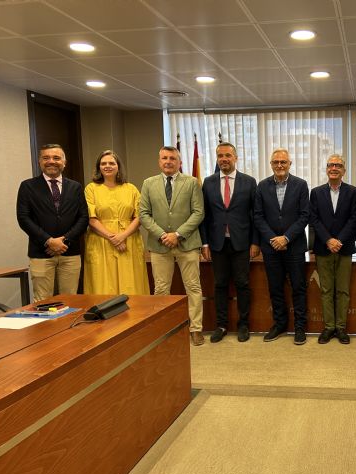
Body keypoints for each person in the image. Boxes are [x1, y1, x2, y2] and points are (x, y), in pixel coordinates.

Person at [139, 146, 205, 345]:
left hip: (188, 243)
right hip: (159, 246)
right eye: (164, 158)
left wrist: (177, 234)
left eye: (172, 158)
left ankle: (196, 329)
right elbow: (144, 214)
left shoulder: (192, 183)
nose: (168, 161)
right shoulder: (148, 184)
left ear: (180, 162)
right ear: (159, 161)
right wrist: (163, 235)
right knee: (161, 289)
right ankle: (163, 329)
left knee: (193, 287)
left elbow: (198, 212)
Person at [199, 142, 260, 343]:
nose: (224, 159)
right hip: (217, 244)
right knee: (220, 285)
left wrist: (255, 242)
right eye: (220, 156)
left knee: (243, 284)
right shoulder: (208, 182)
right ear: (217, 159)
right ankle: (222, 325)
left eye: (227, 155)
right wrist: (205, 244)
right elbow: (204, 216)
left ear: (235, 158)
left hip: (241, 243)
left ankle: (243, 325)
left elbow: (255, 215)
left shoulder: (249, 182)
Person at [16, 144, 88, 302]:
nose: (51, 161)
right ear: (39, 162)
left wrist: (64, 241)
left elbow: (83, 218)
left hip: (70, 252)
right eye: (46, 158)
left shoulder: (75, 187)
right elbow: (23, 218)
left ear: (64, 162)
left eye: (56, 158)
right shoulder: (27, 186)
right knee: (43, 302)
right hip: (41, 253)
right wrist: (49, 241)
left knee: (70, 300)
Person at [254, 148, 309, 345]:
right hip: (271, 248)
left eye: (283, 162)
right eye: (276, 162)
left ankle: (300, 327)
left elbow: (304, 216)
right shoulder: (261, 186)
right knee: (275, 288)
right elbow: (258, 217)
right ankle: (279, 324)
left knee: (298, 288)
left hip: (294, 247)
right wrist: (273, 239)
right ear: (271, 164)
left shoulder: (301, 185)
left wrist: (285, 238)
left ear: (290, 164)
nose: (279, 165)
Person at [309, 154, 356, 345]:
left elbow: (354, 219)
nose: (334, 168)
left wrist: (339, 240)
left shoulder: (353, 192)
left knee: (343, 290)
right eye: (331, 165)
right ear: (327, 169)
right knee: (326, 290)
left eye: (338, 165)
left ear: (343, 170)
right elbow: (314, 219)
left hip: (344, 248)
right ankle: (329, 327)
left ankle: (341, 327)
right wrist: (329, 240)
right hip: (323, 248)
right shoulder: (316, 192)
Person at [83, 150, 149, 295]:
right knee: (103, 286)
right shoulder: (91, 189)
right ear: (98, 167)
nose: (107, 166)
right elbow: (91, 219)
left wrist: (122, 236)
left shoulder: (131, 188)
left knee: (131, 285)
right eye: (103, 163)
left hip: (129, 241)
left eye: (111, 163)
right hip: (101, 242)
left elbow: (139, 217)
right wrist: (114, 238)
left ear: (118, 166)